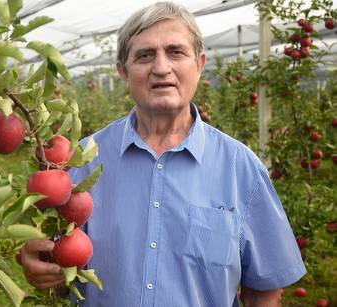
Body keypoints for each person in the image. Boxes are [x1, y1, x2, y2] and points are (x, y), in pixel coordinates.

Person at [20, 2, 306, 306]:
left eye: (175, 52)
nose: (161, 67)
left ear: (199, 64)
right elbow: (63, 275)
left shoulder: (241, 168)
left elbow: (264, 290)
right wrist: (44, 271)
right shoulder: (84, 161)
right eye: (144, 55)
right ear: (123, 72)